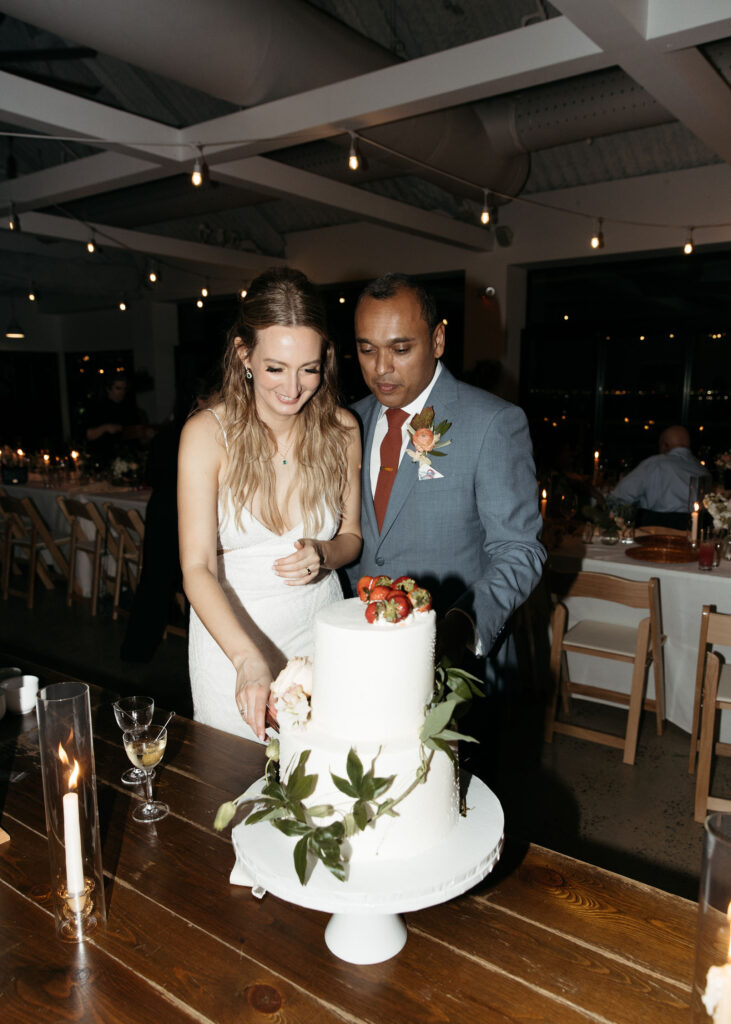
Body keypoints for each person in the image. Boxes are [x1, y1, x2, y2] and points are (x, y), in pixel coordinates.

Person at [347, 273, 545, 771]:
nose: (381, 369)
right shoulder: (346, 422)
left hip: (457, 667)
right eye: (367, 349)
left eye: (400, 348)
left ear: (438, 339)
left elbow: (520, 550)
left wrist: (463, 624)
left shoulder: (493, 422)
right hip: (361, 661)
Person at [178, 267, 362, 743]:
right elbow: (196, 567)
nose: (293, 389)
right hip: (232, 648)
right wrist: (246, 658)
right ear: (244, 354)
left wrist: (324, 554)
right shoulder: (206, 435)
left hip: (318, 639)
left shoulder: (342, 430)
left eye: (310, 369)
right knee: (237, 796)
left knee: (321, 793)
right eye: (275, 368)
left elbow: (352, 538)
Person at [609, 425, 710, 529]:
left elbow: (621, 495)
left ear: (665, 445)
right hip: (694, 530)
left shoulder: (656, 463)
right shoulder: (702, 470)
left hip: (655, 530)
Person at [84, 373, 153, 464]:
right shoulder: (97, 408)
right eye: (118, 388)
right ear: (108, 389)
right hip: (105, 459)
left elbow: (136, 437)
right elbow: (88, 435)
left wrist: (146, 435)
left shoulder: (129, 409)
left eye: (124, 389)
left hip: (128, 459)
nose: (122, 392)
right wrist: (106, 427)